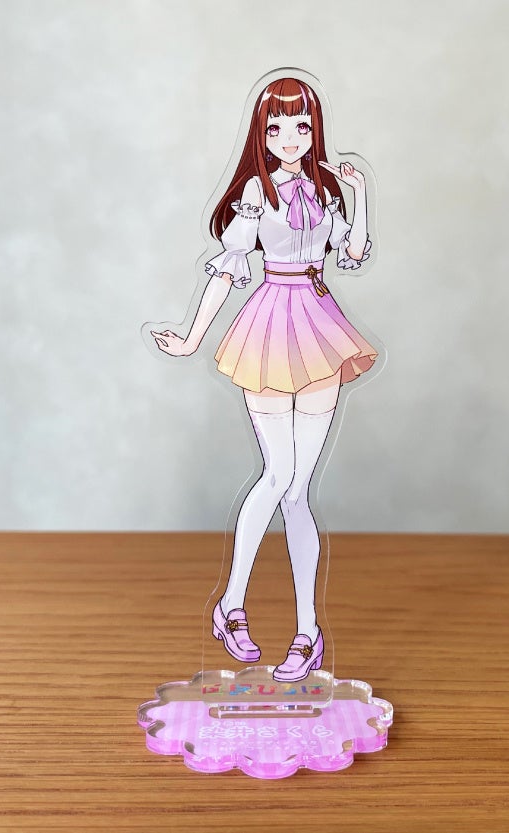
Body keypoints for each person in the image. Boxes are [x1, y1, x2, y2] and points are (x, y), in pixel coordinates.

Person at [152, 76, 376, 682]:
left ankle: (307, 631)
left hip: (320, 324)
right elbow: (228, 269)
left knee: (298, 491)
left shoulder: (325, 190)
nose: (289, 138)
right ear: (261, 133)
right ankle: (231, 604)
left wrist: (358, 197)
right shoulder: (256, 191)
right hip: (271, 325)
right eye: (276, 127)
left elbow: (353, 254)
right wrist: (192, 336)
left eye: (301, 126)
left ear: (315, 129)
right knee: (278, 474)